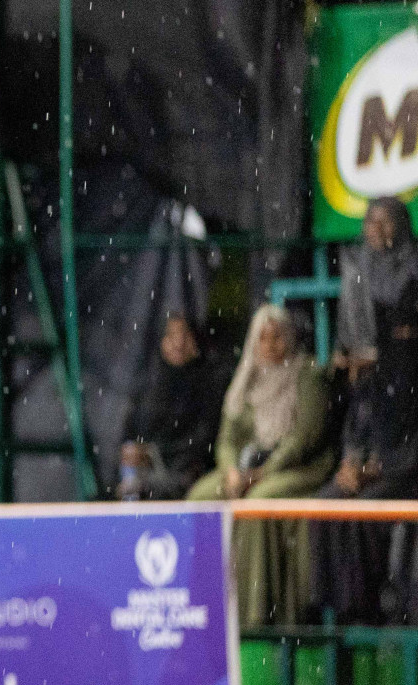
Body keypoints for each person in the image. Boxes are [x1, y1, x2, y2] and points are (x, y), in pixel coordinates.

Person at [188, 304, 335, 624]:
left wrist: (262, 474)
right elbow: (227, 440)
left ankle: (254, 613)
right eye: (263, 339)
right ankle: (204, 605)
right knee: (200, 498)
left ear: (291, 338)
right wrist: (231, 473)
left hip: (300, 471)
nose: (270, 346)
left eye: (278, 338)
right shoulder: (246, 380)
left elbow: (303, 439)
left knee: (257, 505)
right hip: (246, 468)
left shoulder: (309, 375)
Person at [310, 198, 418, 622]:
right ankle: (340, 622)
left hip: (405, 462)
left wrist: (382, 466)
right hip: (375, 454)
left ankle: (377, 619)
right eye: (368, 222)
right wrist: (353, 460)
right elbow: (361, 408)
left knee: (363, 513)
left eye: (382, 222)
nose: (372, 230)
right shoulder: (364, 364)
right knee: (325, 507)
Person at [116, 312, 221, 500]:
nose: (178, 344)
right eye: (172, 336)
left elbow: (204, 440)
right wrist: (135, 451)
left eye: (185, 336)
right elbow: (131, 432)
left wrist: (154, 453)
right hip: (148, 473)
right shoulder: (149, 384)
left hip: (189, 471)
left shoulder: (210, 383)